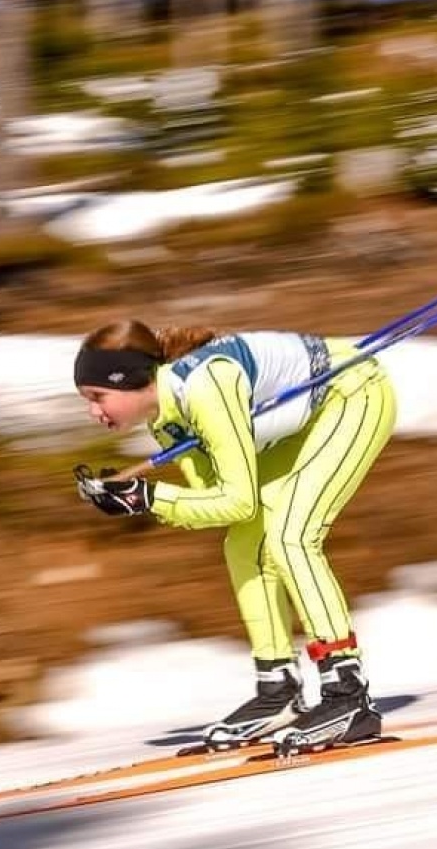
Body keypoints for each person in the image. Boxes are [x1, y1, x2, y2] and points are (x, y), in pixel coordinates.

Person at [71, 319, 398, 754]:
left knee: (291, 535)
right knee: (245, 542)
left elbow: (238, 499)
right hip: (308, 419)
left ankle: (348, 693)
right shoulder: (167, 421)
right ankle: (278, 686)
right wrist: (141, 500)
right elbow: (216, 503)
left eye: (97, 397)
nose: (93, 411)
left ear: (129, 380)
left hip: (353, 393)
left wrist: (152, 497)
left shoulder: (206, 387)